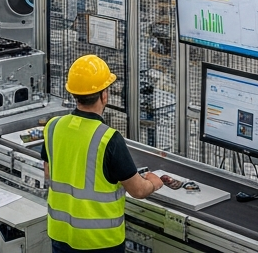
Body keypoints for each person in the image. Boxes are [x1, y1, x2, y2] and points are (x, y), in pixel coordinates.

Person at [42, 56, 174, 253]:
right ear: (104, 95)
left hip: (61, 236)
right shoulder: (108, 139)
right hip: (100, 242)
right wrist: (154, 182)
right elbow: (138, 191)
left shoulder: (53, 127)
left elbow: (48, 173)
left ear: (73, 94)